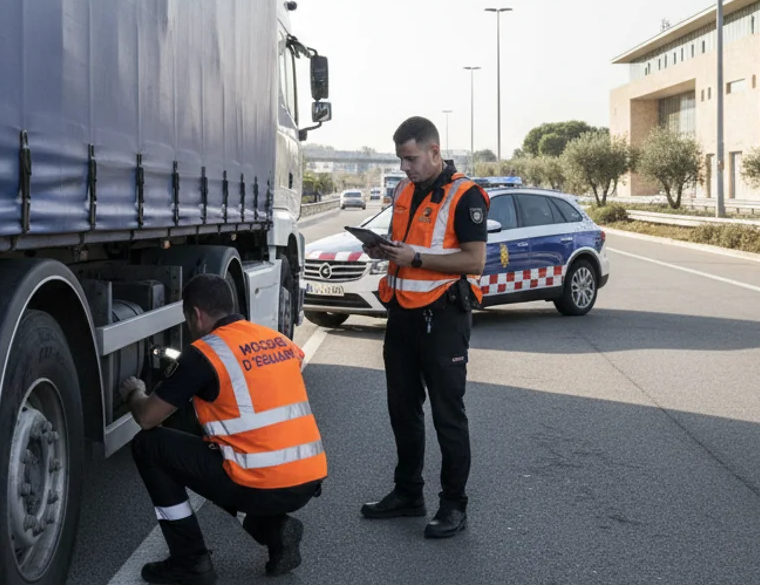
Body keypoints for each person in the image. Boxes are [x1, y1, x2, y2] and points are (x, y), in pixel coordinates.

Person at [119, 273, 326, 585]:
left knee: (149, 445)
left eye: (188, 319)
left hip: (262, 483)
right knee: (209, 446)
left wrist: (135, 392)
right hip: (306, 479)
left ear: (196, 314)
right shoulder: (277, 340)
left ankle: (190, 562)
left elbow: (148, 417)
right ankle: (273, 531)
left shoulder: (205, 352)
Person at [360, 115, 489, 539]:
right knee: (402, 410)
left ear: (435, 151)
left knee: (447, 416)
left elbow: (474, 261)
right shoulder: (404, 190)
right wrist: (384, 250)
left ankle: (454, 505)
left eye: (411, 158)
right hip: (401, 314)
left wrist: (414, 258)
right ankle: (407, 493)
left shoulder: (465, 194)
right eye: (401, 160)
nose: (406, 168)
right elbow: (406, 245)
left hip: (444, 318)